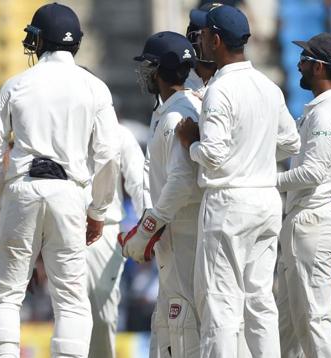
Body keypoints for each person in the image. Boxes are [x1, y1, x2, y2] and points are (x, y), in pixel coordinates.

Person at [0, 3, 120, 357]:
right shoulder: (95, 88)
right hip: (69, 194)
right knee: (71, 299)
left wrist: (4, 195)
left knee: (6, 293)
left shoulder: (16, 84)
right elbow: (107, 158)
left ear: (39, 40)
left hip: (23, 187)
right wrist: (98, 211)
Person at [175, 5, 301, 357]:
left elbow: (213, 154)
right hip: (265, 200)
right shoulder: (267, 86)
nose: (198, 41)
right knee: (260, 300)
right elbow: (291, 142)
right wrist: (255, 149)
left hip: (230, 203)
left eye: (201, 36)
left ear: (215, 40)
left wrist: (191, 143)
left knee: (220, 304)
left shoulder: (221, 89)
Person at [119, 31, 202, 357]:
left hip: (184, 233)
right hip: (174, 231)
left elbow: (182, 182)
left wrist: (147, 229)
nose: (145, 74)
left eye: (149, 66)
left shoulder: (175, 115)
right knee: (165, 328)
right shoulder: (169, 109)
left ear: (161, 70)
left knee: (182, 324)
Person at [275, 33, 331, 358]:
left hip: (314, 221)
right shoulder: (318, 110)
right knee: (288, 325)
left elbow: (311, 173)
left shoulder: (325, 114)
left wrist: (266, 181)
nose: (299, 65)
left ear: (319, 67)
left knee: (315, 320)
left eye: (305, 59)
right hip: (305, 221)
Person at [86, 123, 144, 358]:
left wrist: (148, 228)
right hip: (63, 228)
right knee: (69, 311)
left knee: (103, 316)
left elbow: (139, 183)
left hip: (104, 231)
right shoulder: (61, 126)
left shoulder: (119, 134)